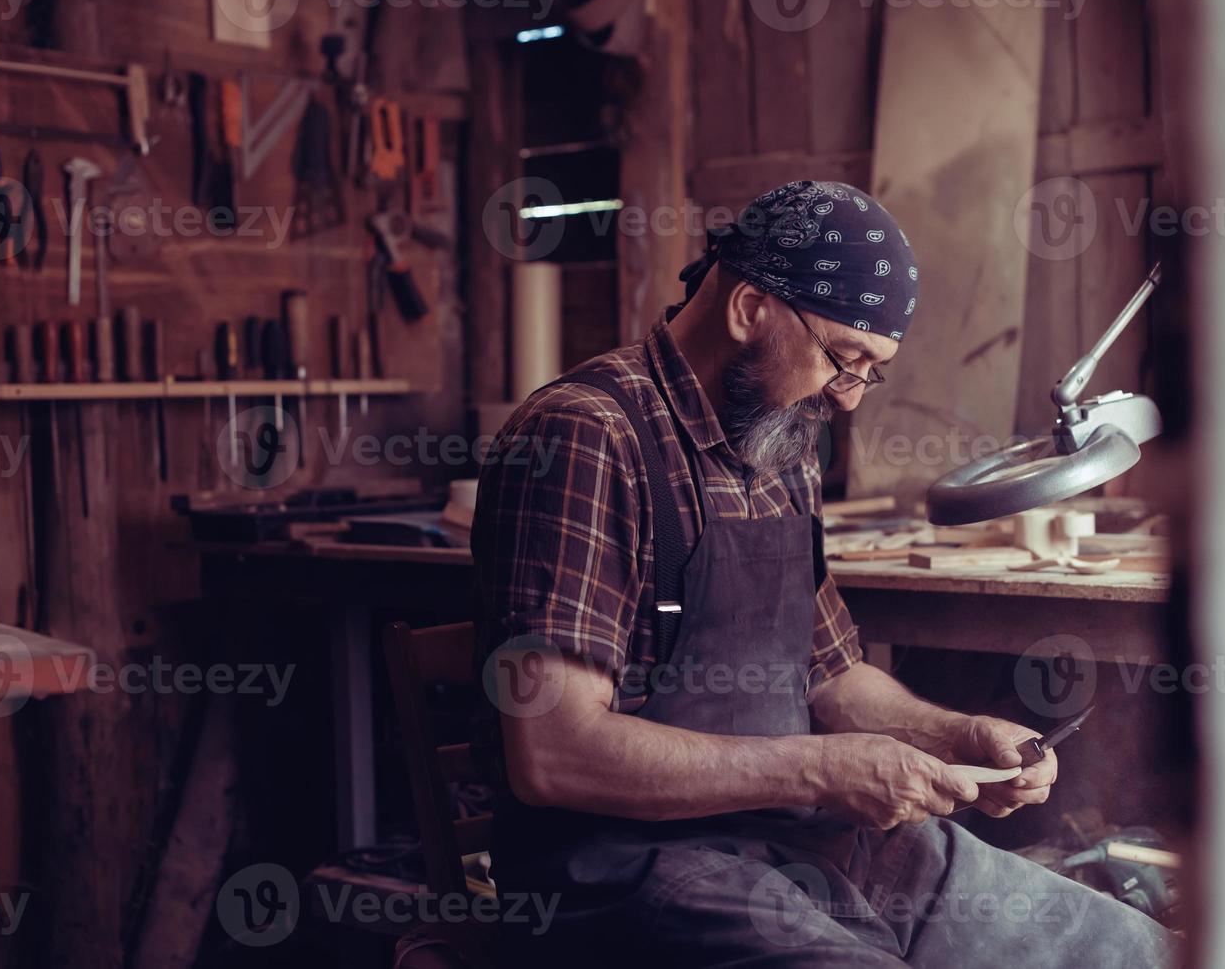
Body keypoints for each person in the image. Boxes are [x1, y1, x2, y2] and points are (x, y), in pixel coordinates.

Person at [470, 180, 1177, 967]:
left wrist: (957, 738)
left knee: (1130, 950)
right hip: (625, 872)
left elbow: (831, 679)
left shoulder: (780, 440)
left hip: (794, 843)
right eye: (846, 360)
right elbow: (551, 752)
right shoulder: (586, 437)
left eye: (870, 371)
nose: (847, 400)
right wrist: (818, 770)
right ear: (748, 311)